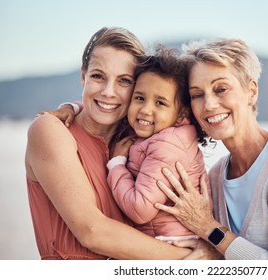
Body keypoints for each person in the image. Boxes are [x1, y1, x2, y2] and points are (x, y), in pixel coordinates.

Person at [25, 26, 217, 260]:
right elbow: (92, 232)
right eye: (98, 76)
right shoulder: (50, 129)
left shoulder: (133, 136)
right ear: (83, 77)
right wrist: (194, 259)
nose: (108, 92)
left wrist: (209, 236)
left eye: (124, 81)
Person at [154, 38, 268, 259]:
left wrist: (208, 228)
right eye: (197, 95)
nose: (209, 104)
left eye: (221, 89)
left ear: (251, 91)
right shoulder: (215, 176)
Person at [59, 46, 212, 243]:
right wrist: (72, 107)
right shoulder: (154, 130)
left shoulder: (167, 145)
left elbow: (140, 209)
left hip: (172, 245)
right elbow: (110, 108)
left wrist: (116, 165)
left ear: (181, 113)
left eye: (160, 103)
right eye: (139, 98)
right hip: (160, 239)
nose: (145, 110)